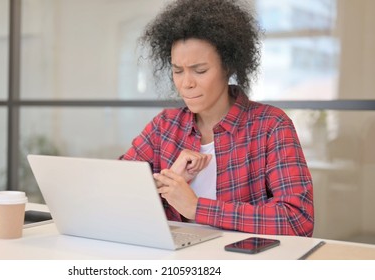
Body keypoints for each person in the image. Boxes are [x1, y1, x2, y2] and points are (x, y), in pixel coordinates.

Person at [120, 0, 314, 237]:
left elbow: (297, 219)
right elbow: (116, 191)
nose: (186, 83)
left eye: (199, 70)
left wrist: (197, 208)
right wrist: (165, 182)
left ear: (228, 66)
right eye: (177, 71)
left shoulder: (271, 126)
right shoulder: (164, 126)